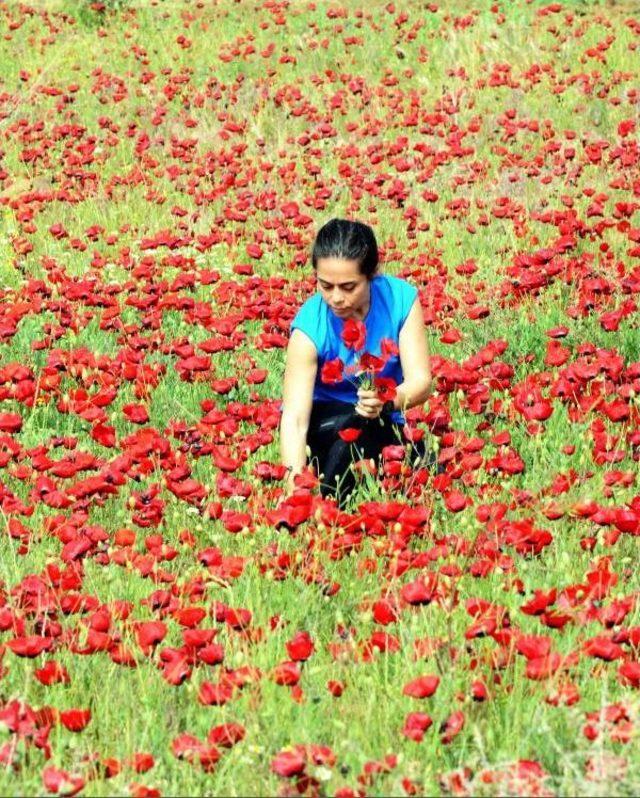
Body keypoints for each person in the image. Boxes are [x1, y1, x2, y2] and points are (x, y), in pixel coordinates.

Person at [280, 218, 432, 504]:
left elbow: (422, 382)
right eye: (325, 285)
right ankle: (329, 496)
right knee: (353, 440)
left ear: (372, 274)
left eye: (348, 287)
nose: (335, 298)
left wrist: (386, 401)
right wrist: (294, 493)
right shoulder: (309, 329)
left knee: (425, 464)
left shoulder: (401, 300)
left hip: (382, 417)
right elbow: (295, 419)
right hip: (325, 425)